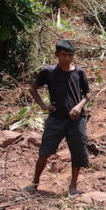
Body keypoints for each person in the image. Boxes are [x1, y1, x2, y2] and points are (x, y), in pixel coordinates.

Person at [25, 40, 91, 195]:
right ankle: (34, 184)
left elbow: (87, 94)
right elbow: (33, 88)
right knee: (44, 152)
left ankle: (73, 187)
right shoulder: (48, 72)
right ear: (57, 55)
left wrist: (79, 106)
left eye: (70, 55)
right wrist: (43, 105)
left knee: (78, 152)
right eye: (63, 55)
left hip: (76, 120)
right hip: (55, 119)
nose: (67, 58)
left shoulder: (79, 72)